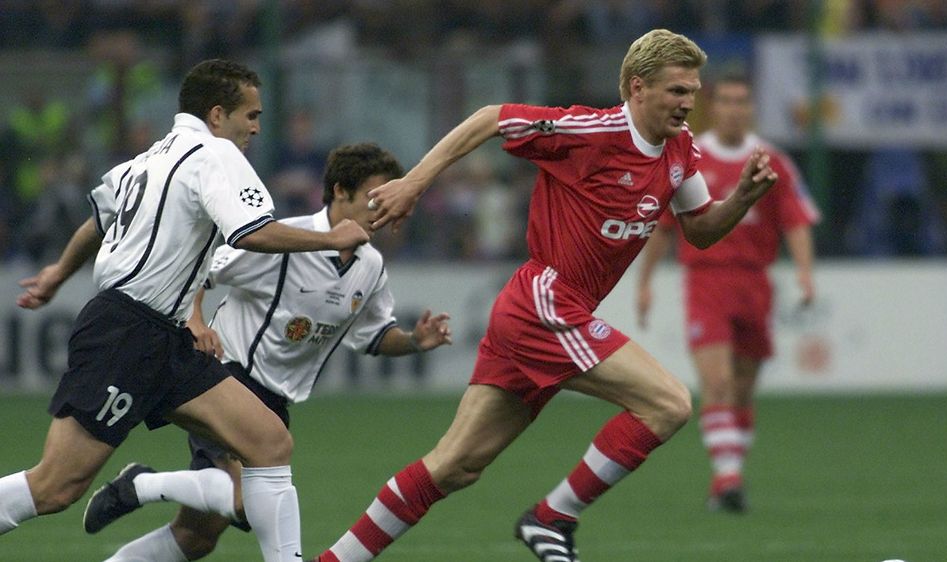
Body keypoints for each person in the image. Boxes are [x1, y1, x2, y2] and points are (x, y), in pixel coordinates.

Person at [311, 29, 780, 562]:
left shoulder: (679, 150)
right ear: (637, 87)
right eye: (676, 91)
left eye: (692, 91)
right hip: (547, 304)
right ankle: (552, 518)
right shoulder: (590, 132)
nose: (688, 103)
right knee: (668, 404)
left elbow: (698, 229)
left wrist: (741, 196)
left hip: (542, 313)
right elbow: (490, 118)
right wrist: (416, 182)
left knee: (455, 466)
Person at [1, 59, 370, 562]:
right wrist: (329, 239)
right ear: (217, 115)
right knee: (55, 487)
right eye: (251, 115)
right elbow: (250, 232)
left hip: (164, 336)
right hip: (127, 332)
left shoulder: (147, 158)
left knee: (268, 440)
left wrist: (57, 273)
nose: (257, 127)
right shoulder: (214, 153)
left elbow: (97, 218)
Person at [80, 143, 453, 561]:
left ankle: (136, 499)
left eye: (390, 196)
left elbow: (372, 336)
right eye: (374, 196)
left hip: (275, 402)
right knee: (244, 502)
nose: (383, 206)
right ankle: (142, 485)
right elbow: (203, 266)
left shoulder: (370, 266)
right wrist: (196, 320)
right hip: (225, 378)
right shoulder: (286, 239)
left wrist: (415, 341)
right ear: (340, 191)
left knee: (195, 538)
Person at [635, 73, 819, 512]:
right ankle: (729, 478)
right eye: (727, 101)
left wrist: (806, 274)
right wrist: (644, 284)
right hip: (707, 280)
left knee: (742, 389)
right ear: (713, 107)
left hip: (755, 282)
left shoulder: (772, 159)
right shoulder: (689, 156)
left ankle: (727, 479)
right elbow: (662, 229)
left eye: (743, 101)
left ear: (751, 108)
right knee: (716, 383)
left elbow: (795, 220)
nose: (735, 109)